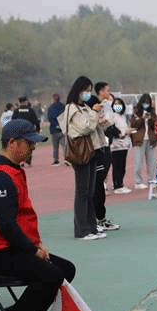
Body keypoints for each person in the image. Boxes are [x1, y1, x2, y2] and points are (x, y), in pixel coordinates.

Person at [0, 119, 76, 311]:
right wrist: (32, 249)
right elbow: (6, 225)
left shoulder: (10, 170)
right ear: (12, 143)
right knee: (51, 274)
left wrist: (35, 244)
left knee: (65, 269)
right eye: (29, 143)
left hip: (9, 248)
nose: (33, 147)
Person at [64, 76, 107, 240]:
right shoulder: (72, 108)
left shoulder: (84, 107)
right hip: (81, 152)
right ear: (78, 90)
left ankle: (92, 227)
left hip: (92, 150)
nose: (88, 93)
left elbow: (93, 124)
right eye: (86, 90)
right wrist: (94, 113)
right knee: (82, 192)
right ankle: (82, 230)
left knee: (90, 192)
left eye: (89, 90)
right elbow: (85, 127)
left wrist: (99, 118)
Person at [88, 82, 118, 232]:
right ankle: (95, 219)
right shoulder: (92, 103)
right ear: (100, 91)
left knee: (100, 182)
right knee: (96, 185)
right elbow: (89, 124)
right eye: (107, 90)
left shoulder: (105, 104)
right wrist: (97, 115)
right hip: (94, 147)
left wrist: (105, 119)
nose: (109, 92)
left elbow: (108, 121)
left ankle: (101, 218)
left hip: (103, 144)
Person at [130, 93, 157, 190]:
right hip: (140, 140)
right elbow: (134, 124)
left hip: (150, 140)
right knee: (138, 161)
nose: (146, 105)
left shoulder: (153, 112)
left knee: (152, 162)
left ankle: (152, 179)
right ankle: (138, 181)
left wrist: (150, 119)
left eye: (148, 103)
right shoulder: (136, 112)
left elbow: (156, 124)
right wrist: (142, 118)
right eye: (144, 103)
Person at [109, 97, 133, 194]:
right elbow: (112, 129)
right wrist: (121, 133)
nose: (117, 106)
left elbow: (126, 127)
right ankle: (117, 185)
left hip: (124, 144)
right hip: (116, 145)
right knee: (117, 166)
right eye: (115, 104)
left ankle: (120, 183)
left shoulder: (124, 116)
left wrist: (128, 131)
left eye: (119, 104)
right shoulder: (112, 116)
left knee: (122, 166)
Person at [11, 96, 40, 166]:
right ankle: (28, 160)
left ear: (19, 102)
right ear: (26, 102)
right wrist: (38, 129)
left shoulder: (16, 111)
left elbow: (13, 121)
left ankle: (21, 161)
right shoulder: (30, 110)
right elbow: (35, 120)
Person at [47, 94, 66, 166]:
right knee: (64, 145)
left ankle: (56, 160)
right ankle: (66, 158)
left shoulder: (50, 108)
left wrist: (56, 125)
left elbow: (50, 118)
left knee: (55, 146)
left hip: (54, 129)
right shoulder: (63, 106)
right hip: (62, 128)